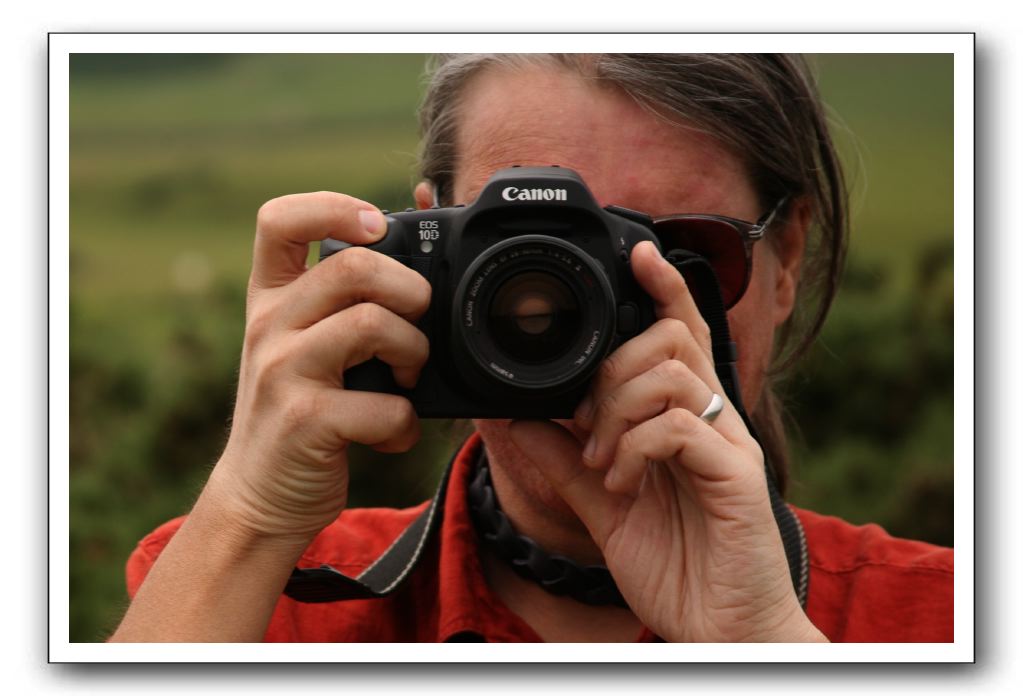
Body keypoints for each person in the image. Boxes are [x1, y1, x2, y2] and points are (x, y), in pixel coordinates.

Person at [109, 54, 953, 643]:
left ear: (785, 262)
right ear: (426, 245)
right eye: (526, 253)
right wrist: (251, 519)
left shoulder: (943, 623)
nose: (590, 311)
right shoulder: (257, 602)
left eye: (683, 255)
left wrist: (760, 643)